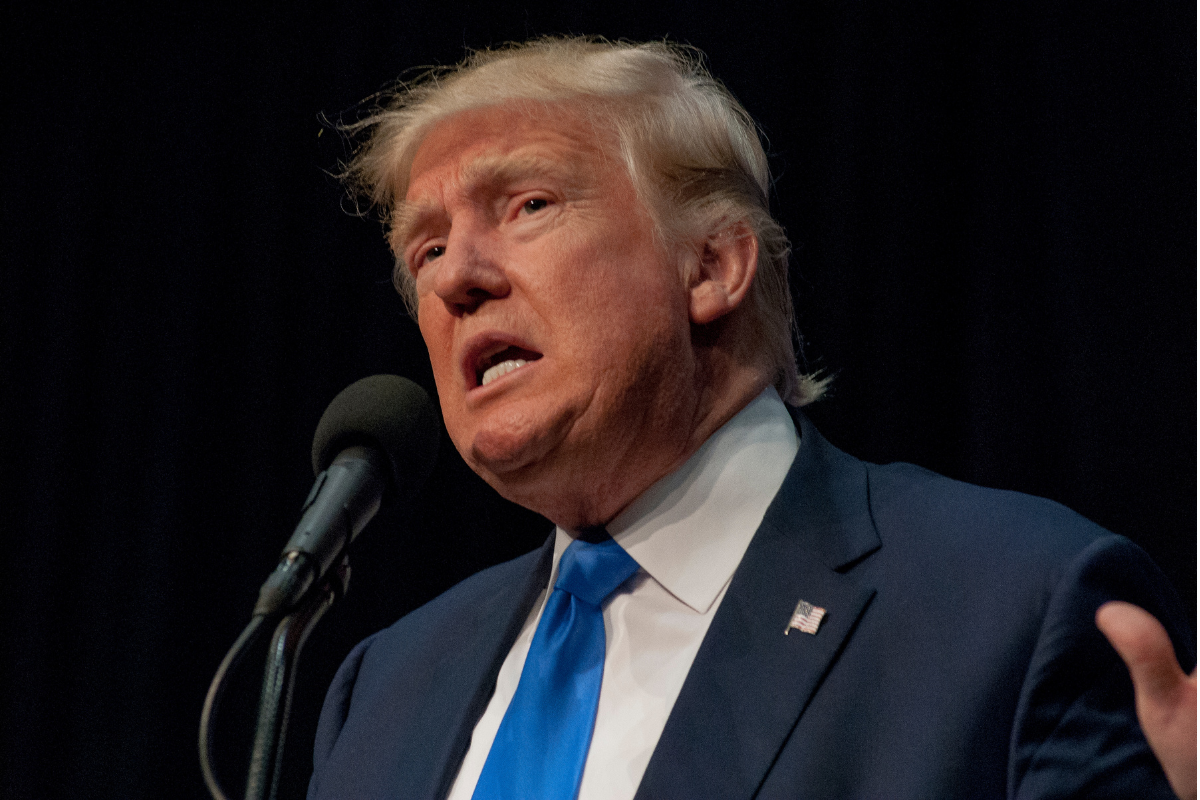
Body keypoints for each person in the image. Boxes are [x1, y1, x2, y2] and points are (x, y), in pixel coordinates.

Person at [307, 38, 1195, 799]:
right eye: (425, 248)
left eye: (529, 205)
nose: (456, 275)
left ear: (712, 268)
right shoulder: (383, 690)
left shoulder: (1011, 606)